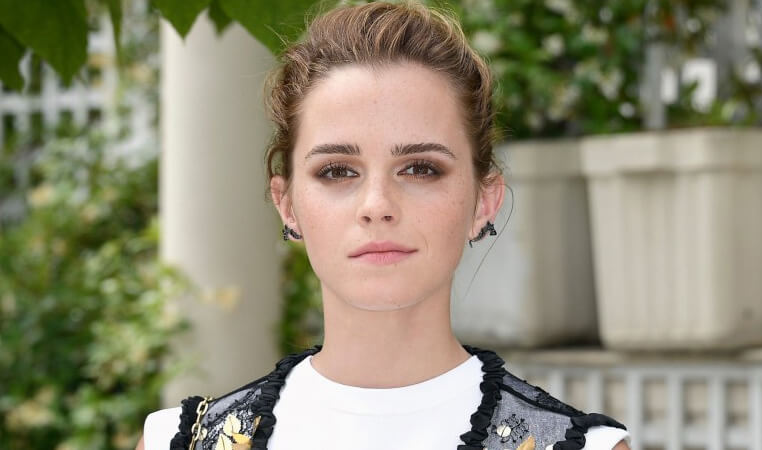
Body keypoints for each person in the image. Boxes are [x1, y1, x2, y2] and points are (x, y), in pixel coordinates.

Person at [137, 1, 632, 449]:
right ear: (286, 204)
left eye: (420, 168)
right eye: (337, 171)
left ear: (485, 200)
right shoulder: (176, 442)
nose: (377, 205)